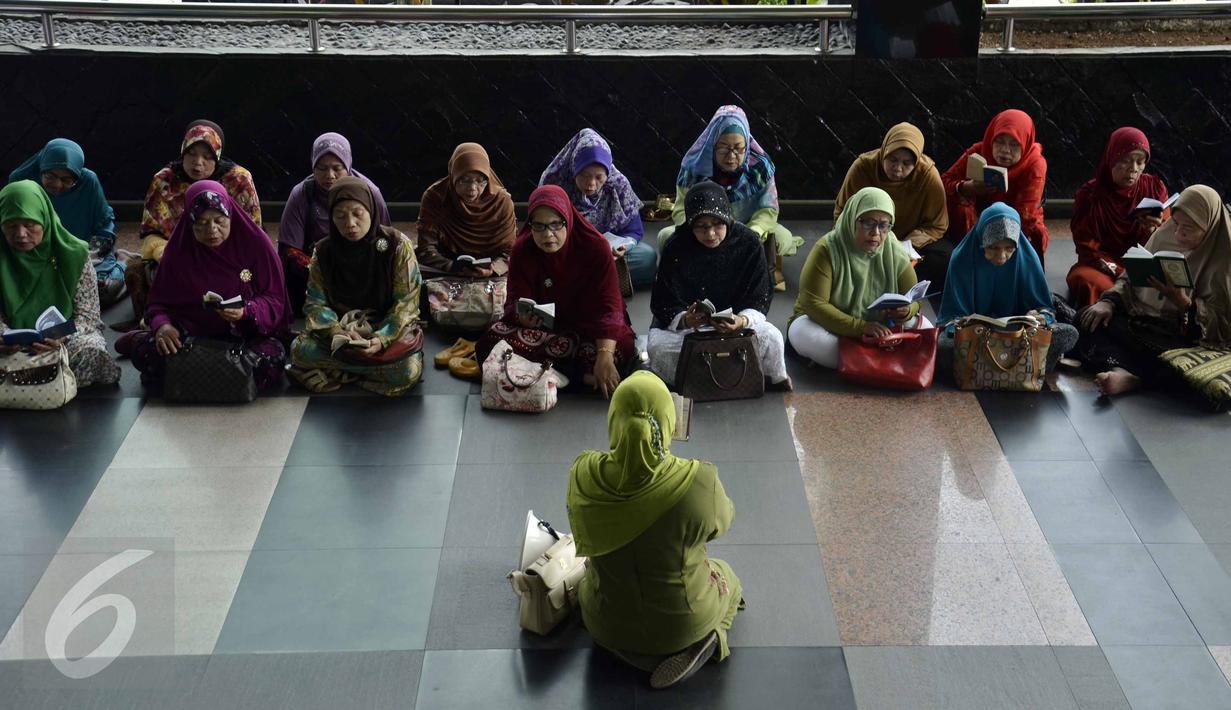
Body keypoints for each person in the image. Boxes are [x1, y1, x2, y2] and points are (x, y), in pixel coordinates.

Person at [568, 370, 742, 690]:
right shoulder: (698, 482)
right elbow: (722, 524)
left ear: (613, 420)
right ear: (668, 421)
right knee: (727, 576)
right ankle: (710, 639)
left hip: (605, 624)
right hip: (681, 624)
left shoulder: (583, 474)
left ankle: (626, 650)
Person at [473, 185, 636, 396]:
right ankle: (581, 377)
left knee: (620, 351)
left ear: (568, 221)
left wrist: (605, 354)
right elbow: (513, 302)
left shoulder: (596, 248)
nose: (548, 235)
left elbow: (610, 307)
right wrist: (522, 318)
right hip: (547, 331)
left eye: (555, 225)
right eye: (539, 226)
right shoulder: (523, 250)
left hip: (592, 331)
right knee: (489, 340)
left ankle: (549, 370)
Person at [127, 181, 288, 392]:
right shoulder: (178, 251)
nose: (212, 230)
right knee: (145, 351)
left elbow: (275, 300)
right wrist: (162, 326)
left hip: (245, 337)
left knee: (271, 357)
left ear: (231, 215)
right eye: (201, 223)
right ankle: (228, 378)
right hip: (191, 336)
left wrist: (246, 311)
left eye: (219, 221)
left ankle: (188, 378)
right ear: (189, 223)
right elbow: (157, 304)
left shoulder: (256, 245)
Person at [1078, 185, 1231, 397]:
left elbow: (1222, 326)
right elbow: (1128, 279)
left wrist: (1182, 302)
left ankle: (1136, 377)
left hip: (1182, 339)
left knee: (1184, 366)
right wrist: (1109, 302)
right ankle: (1123, 371)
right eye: (1176, 222)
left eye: (1188, 228)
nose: (1178, 233)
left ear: (1210, 227)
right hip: (1142, 321)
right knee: (1086, 319)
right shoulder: (1164, 235)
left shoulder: (1224, 259)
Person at [120, 119, 262, 330]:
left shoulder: (238, 180)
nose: (198, 163)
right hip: (180, 254)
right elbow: (151, 232)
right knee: (147, 271)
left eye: (207, 157)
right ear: (182, 152)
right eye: (191, 154)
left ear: (218, 157)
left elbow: (252, 233)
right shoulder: (165, 180)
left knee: (248, 277)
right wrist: (167, 253)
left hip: (226, 253)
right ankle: (161, 320)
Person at [648, 181, 790, 390]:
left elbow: (759, 296)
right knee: (656, 346)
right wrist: (685, 319)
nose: (711, 234)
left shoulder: (748, 243)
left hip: (736, 328)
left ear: (727, 218)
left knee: (773, 337)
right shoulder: (677, 246)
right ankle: (686, 380)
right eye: (702, 227)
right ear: (690, 224)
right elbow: (663, 301)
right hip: (691, 332)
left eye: (717, 224)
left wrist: (741, 320)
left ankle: (769, 379)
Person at [289, 177, 423, 396]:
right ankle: (365, 374)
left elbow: (406, 302)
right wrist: (336, 333)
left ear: (371, 210)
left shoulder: (397, 245)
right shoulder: (324, 252)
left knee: (407, 371)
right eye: (340, 216)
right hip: (343, 334)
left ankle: (342, 373)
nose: (350, 223)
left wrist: (381, 339)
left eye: (357, 214)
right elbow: (315, 303)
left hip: (386, 330)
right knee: (299, 351)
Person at [660, 105, 803, 291]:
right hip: (705, 229)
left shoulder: (760, 167)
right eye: (724, 149)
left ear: (747, 145)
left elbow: (768, 209)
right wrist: (700, 228)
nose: (732, 156)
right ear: (712, 144)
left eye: (738, 149)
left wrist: (753, 232)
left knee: (782, 238)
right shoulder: (693, 168)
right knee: (666, 236)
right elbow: (680, 210)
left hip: (746, 227)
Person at [787, 186, 930, 369]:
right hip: (825, 323)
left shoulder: (894, 250)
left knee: (926, 330)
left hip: (881, 326)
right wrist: (861, 327)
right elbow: (813, 304)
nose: (876, 233)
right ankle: (884, 359)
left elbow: (915, 299)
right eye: (867, 223)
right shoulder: (828, 249)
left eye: (884, 225)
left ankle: (862, 360)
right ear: (852, 219)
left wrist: (906, 310)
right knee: (807, 336)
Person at [0, 180, 120, 388]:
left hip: (64, 341)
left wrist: (61, 336)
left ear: (45, 219)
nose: (20, 234)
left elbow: (88, 316)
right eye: (11, 226)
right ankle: (47, 379)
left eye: (29, 225)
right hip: (11, 345)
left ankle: (30, 379)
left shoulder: (74, 254)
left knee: (91, 351)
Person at [938, 202, 1078, 374]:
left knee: (1066, 332)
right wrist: (964, 324)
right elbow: (951, 318)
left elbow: (1045, 309)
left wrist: (1039, 317)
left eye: (1009, 249)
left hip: (1018, 334)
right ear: (981, 240)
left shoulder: (1026, 258)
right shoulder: (962, 259)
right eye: (993, 248)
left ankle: (988, 362)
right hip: (977, 335)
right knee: (945, 344)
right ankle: (1031, 363)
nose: (1001, 257)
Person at [416, 143, 517, 369]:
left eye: (480, 181)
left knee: (521, 276)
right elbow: (425, 249)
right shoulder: (436, 196)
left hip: (490, 269)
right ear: (453, 177)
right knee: (413, 270)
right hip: (447, 265)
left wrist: (492, 268)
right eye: (464, 180)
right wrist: (453, 266)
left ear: (488, 179)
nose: (472, 189)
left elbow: (511, 252)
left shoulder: (501, 201)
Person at [279, 132, 392, 315]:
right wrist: (320, 271)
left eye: (337, 168)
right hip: (317, 270)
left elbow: (385, 243)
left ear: (348, 165)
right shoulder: (302, 194)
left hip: (363, 270)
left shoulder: (370, 193)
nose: (329, 175)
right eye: (321, 168)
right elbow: (289, 250)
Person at [8, 138, 125, 307]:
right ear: (41, 168)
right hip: (35, 252)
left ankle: (124, 263)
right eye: (50, 176)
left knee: (99, 290)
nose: (57, 185)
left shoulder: (88, 182)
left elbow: (105, 225)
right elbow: (11, 227)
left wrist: (84, 257)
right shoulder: (21, 182)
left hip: (81, 252)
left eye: (66, 180)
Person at [834, 122, 950, 290]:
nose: (898, 169)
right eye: (893, 160)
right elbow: (843, 213)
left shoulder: (927, 176)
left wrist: (901, 247)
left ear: (916, 162)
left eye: (907, 163)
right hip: (866, 235)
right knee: (838, 255)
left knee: (944, 258)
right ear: (884, 153)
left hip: (908, 242)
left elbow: (937, 224)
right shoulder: (863, 168)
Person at [540, 128, 657, 289]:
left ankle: (576, 281)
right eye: (585, 175)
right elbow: (542, 231)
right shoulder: (554, 183)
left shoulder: (618, 185)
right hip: (567, 252)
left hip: (605, 254)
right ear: (575, 168)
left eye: (599, 177)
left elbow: (634, 231)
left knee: (647, 257)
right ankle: (596, 280)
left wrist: (624, 247)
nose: (592, 184)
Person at [1067, 127, 1169, 307]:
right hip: (1103, 265)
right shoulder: (1090, 195)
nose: (1133, 169)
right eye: (1125, 160)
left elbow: (1168, 240)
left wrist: (1152, 231)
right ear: (1111, 158)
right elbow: (1087, 248)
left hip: (1143, 266)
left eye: (1140, 162)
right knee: (1086, 281)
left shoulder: (1154, 188)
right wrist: (1121, 272)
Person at [941, 109, 1049, 264]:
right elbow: (944, 181)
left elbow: (1026, 215)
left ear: (1025, 143)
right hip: (977, 222)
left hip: (1016, 224)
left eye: (1014, 144)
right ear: (991, 137)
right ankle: (969, 253)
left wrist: (997, 240)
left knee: (1032, 234)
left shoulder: (1034, 164)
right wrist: (966, 187)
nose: (1005, 150)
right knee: (960, 204)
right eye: (999, 141)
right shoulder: (979, 152)